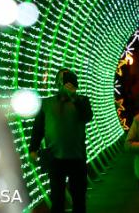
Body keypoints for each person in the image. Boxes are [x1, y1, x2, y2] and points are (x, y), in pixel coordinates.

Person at [28, 68, 93, 213]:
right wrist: (33, 149)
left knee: (79, 199)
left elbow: (87, 116)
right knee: (57, 200)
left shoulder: (82, 101)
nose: (64, 84)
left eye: (68, 80)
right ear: (57, 83)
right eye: (61, 80)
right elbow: (38, 128)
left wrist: (74, 97)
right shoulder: (46, 103)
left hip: (78, 158)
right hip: (55, 158)